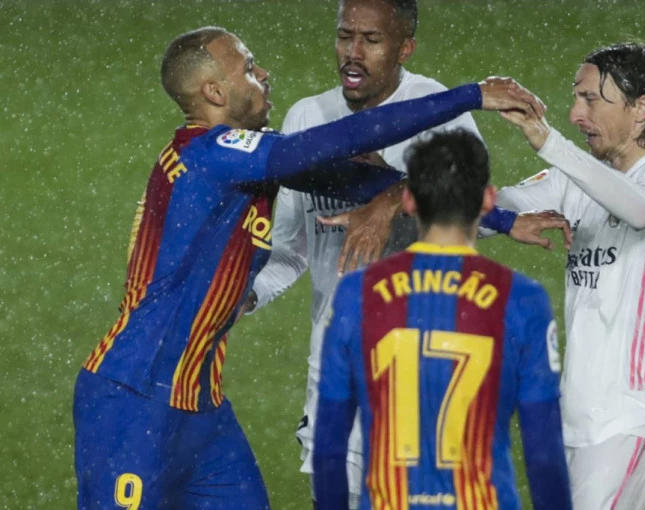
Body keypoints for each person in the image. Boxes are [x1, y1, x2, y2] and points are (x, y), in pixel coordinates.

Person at [72, 25, 545, 509]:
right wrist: (470, 97)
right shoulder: (209, 154)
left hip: (201, 407)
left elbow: (361, 182)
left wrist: (506, 221)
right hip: (131, 398)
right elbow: (344, 138)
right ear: (214, 92)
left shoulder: (246, 158)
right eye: (248, 68)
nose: (263, 74)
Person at [248, 1, 571, 506]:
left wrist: (389, 200)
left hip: (429, 367)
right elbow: (289, 253)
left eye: (372, 40)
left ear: (405, 48)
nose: (353, 53)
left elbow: (462, 215)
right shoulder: (307, 117)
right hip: (340, 358)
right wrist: (245, 295)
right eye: (345, 36)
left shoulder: (441, 113)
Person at [312, 129, 573, 510]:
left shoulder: (357, 294)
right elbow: (544, 450)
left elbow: (329, 445)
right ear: (487, 200)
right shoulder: (522, 299)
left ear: (409, 200)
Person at [496, 42, 645, 509]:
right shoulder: (576, 181)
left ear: (641, 109)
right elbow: (478, 214)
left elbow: (640, 209)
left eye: (590, 99)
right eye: (576, 98)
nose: (575, 114)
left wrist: (550, 143)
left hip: (635, 420)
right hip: (579, 431)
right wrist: (397, 197)